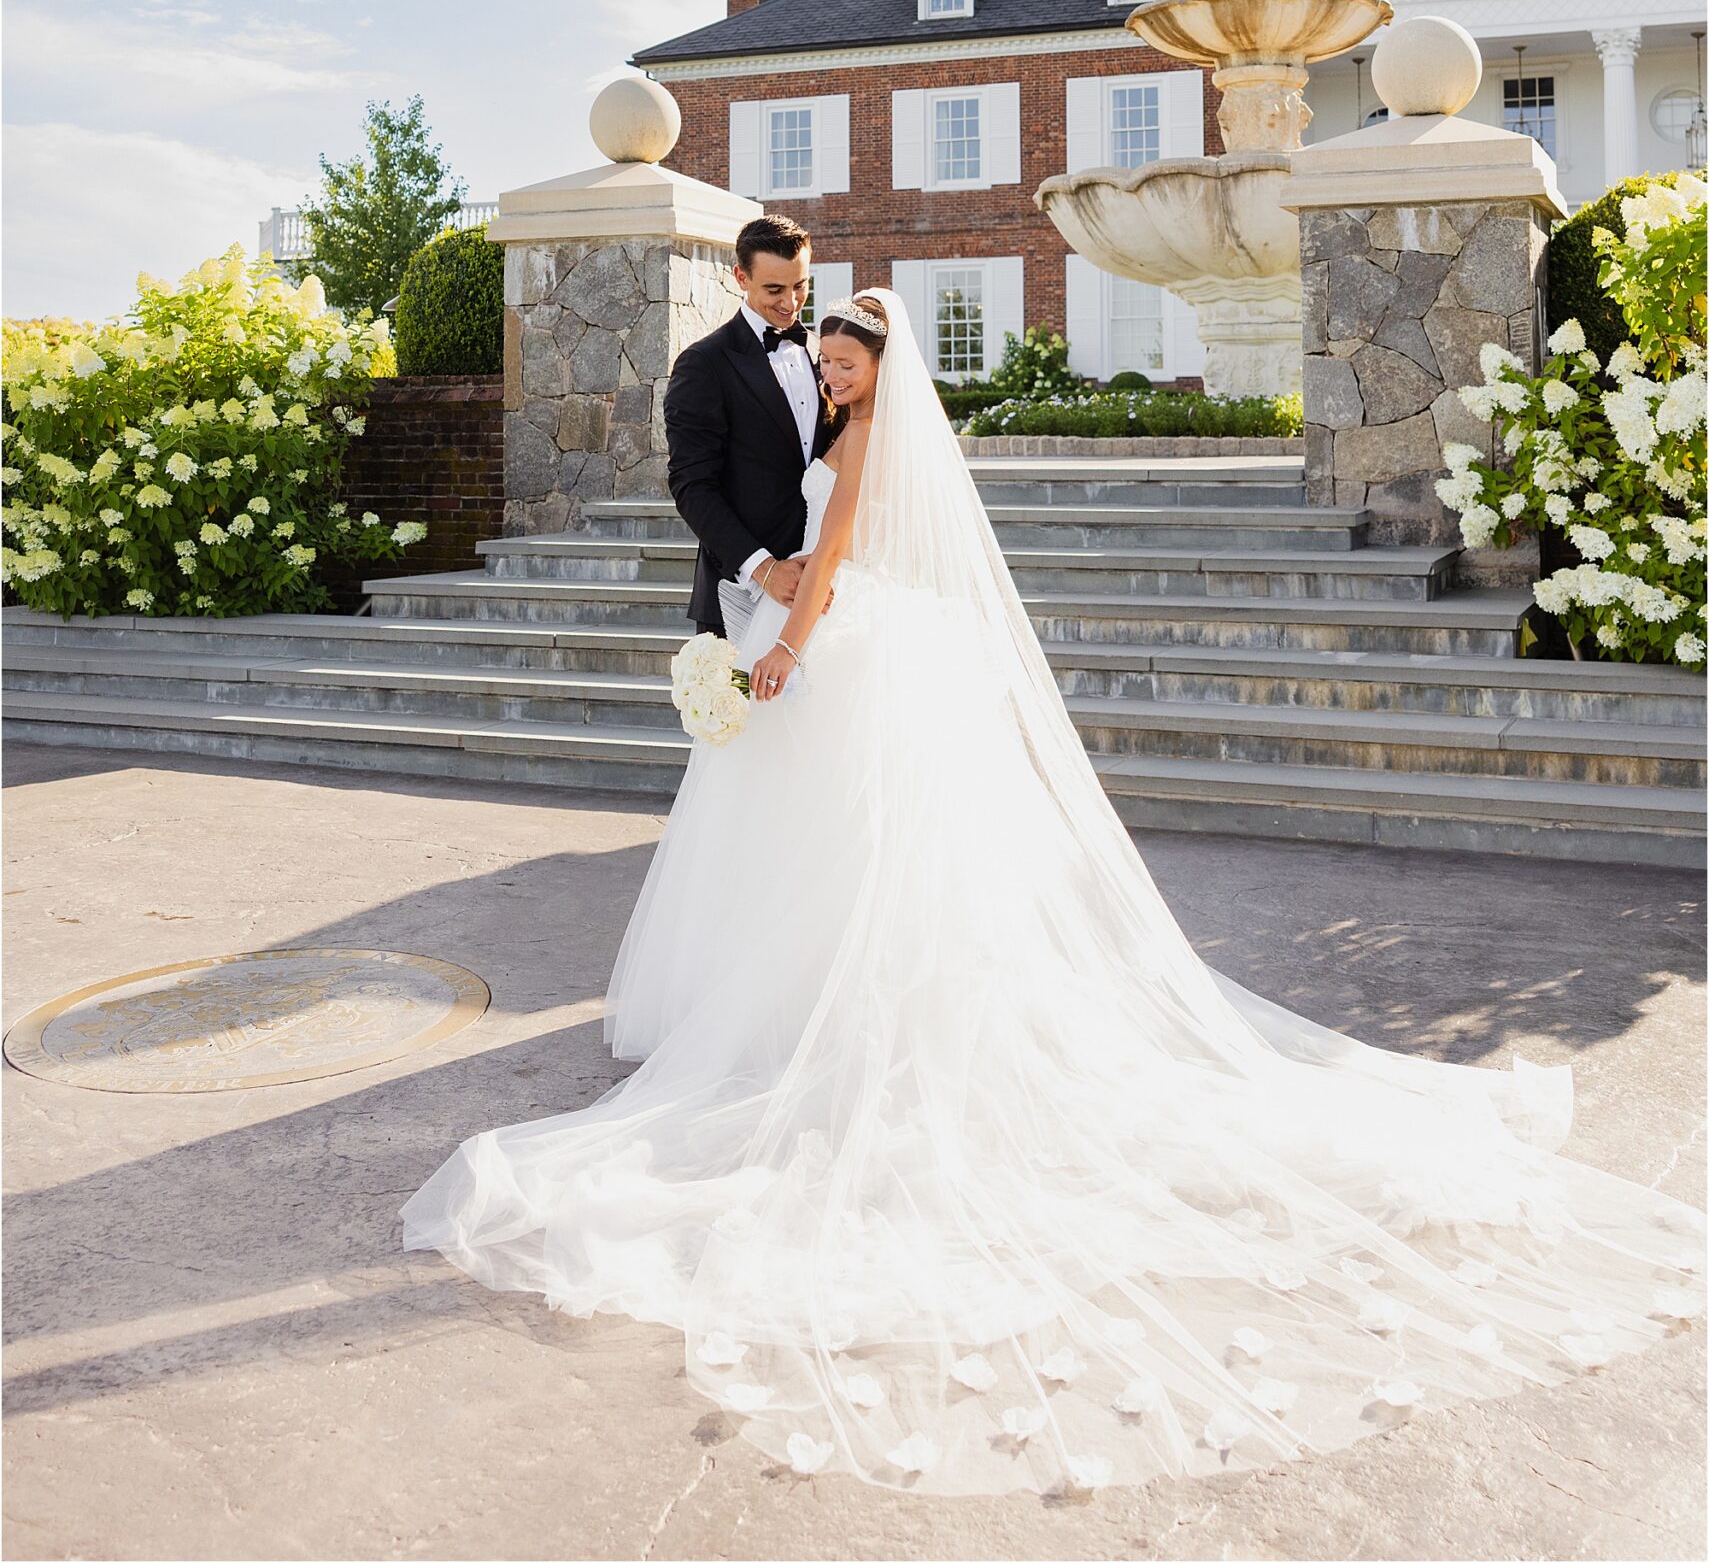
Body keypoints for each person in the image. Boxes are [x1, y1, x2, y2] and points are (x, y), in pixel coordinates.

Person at [401, 291, 1702, 1500]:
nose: (827, 367)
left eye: (845, 357)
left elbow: (838, 551)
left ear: (878, 370)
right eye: (825, 357)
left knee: (865, 862)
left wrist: (781, 655)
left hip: (838, 660)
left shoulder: (856, 450)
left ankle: (848, 1029)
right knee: (844, 862)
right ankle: (815, 1009)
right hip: (864, 660)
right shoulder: (845, 429)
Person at [660, 213, 834, 640]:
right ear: (741, 276)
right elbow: (692, 485)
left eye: (800, 286)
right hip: (738, 595)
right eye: (774, 289)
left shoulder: (823, 354)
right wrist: (764, 569)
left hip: (822, 593)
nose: (791, 303)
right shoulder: (703, 365)